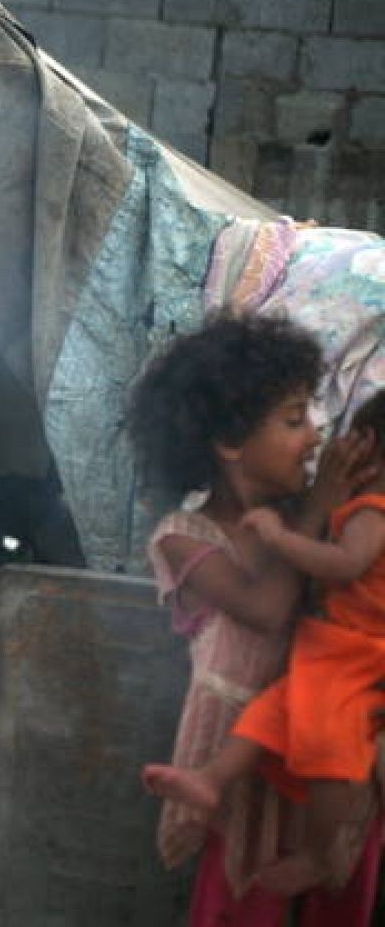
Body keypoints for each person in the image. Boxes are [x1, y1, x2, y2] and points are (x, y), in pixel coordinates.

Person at [127, 313, 381, 921]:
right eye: (295, 421)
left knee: (339, 888)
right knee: (245, 898)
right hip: (239, 757)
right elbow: (267, 610)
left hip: (324, 745)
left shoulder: (301, 523)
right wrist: (318, 512)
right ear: (230, 443)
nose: (316, 437)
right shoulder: (183, 538)